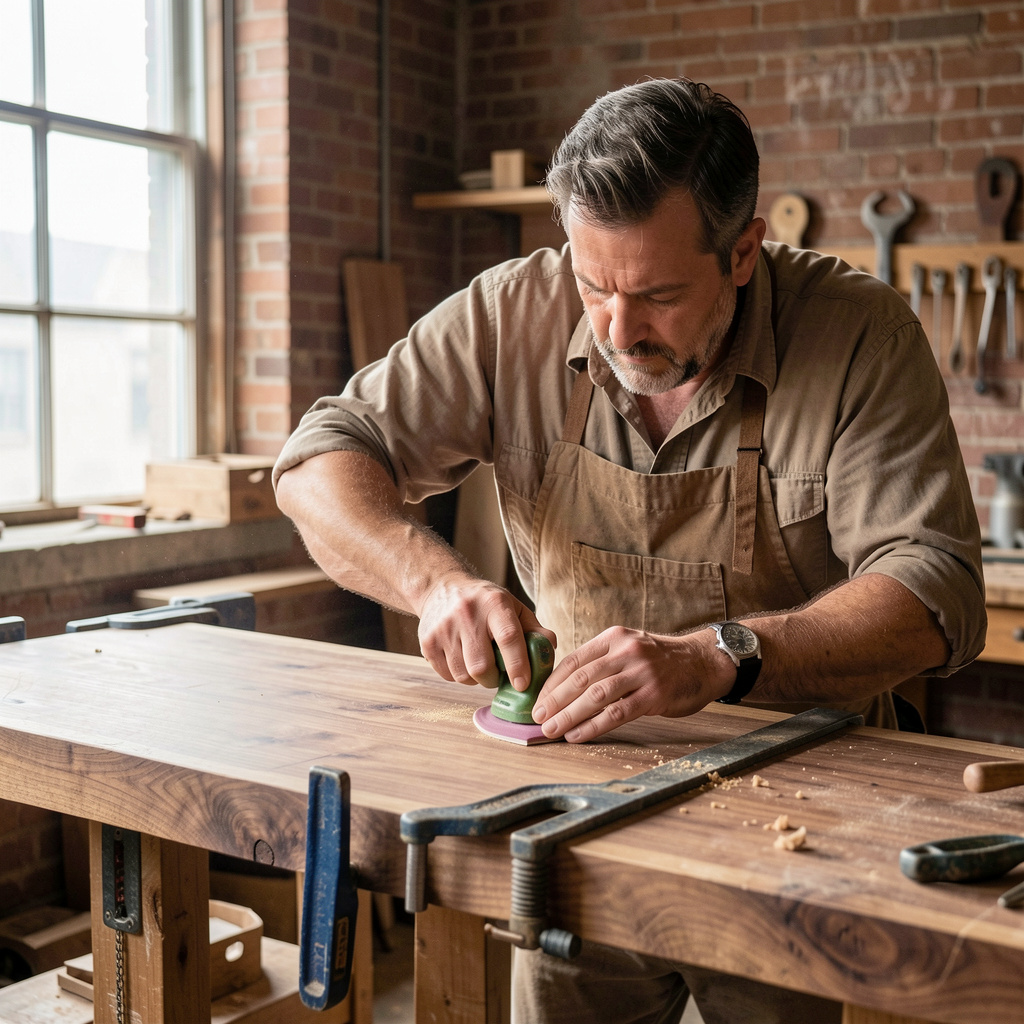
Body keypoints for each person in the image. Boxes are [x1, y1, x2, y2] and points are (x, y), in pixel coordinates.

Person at [275, 79, 985, 1024]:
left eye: (655, 295)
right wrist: (431, 579)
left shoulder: (857, 335)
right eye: (593, 284)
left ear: (742, 253)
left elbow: (934, 589)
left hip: (811, 818)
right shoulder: (511, 313)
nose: (616, 329)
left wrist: (716, 658)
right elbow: (321, 454)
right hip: (576, 796)